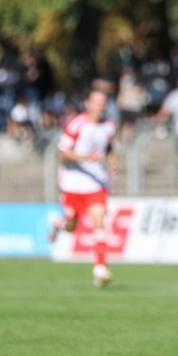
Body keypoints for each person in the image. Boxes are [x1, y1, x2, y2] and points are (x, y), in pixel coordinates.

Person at [49, 89, 118, 288]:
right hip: (72, 183)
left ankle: (100, 268)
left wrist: (113, 162)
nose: (100, 105)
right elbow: (61, 152)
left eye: (103, 101)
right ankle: (58, 224)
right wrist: (86, 158)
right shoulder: (77, 124)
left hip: (95, 183)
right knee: (71, 225)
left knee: (99, 219)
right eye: (96, 101)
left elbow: (108, 147)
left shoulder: (109, 125)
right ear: (87, 104)